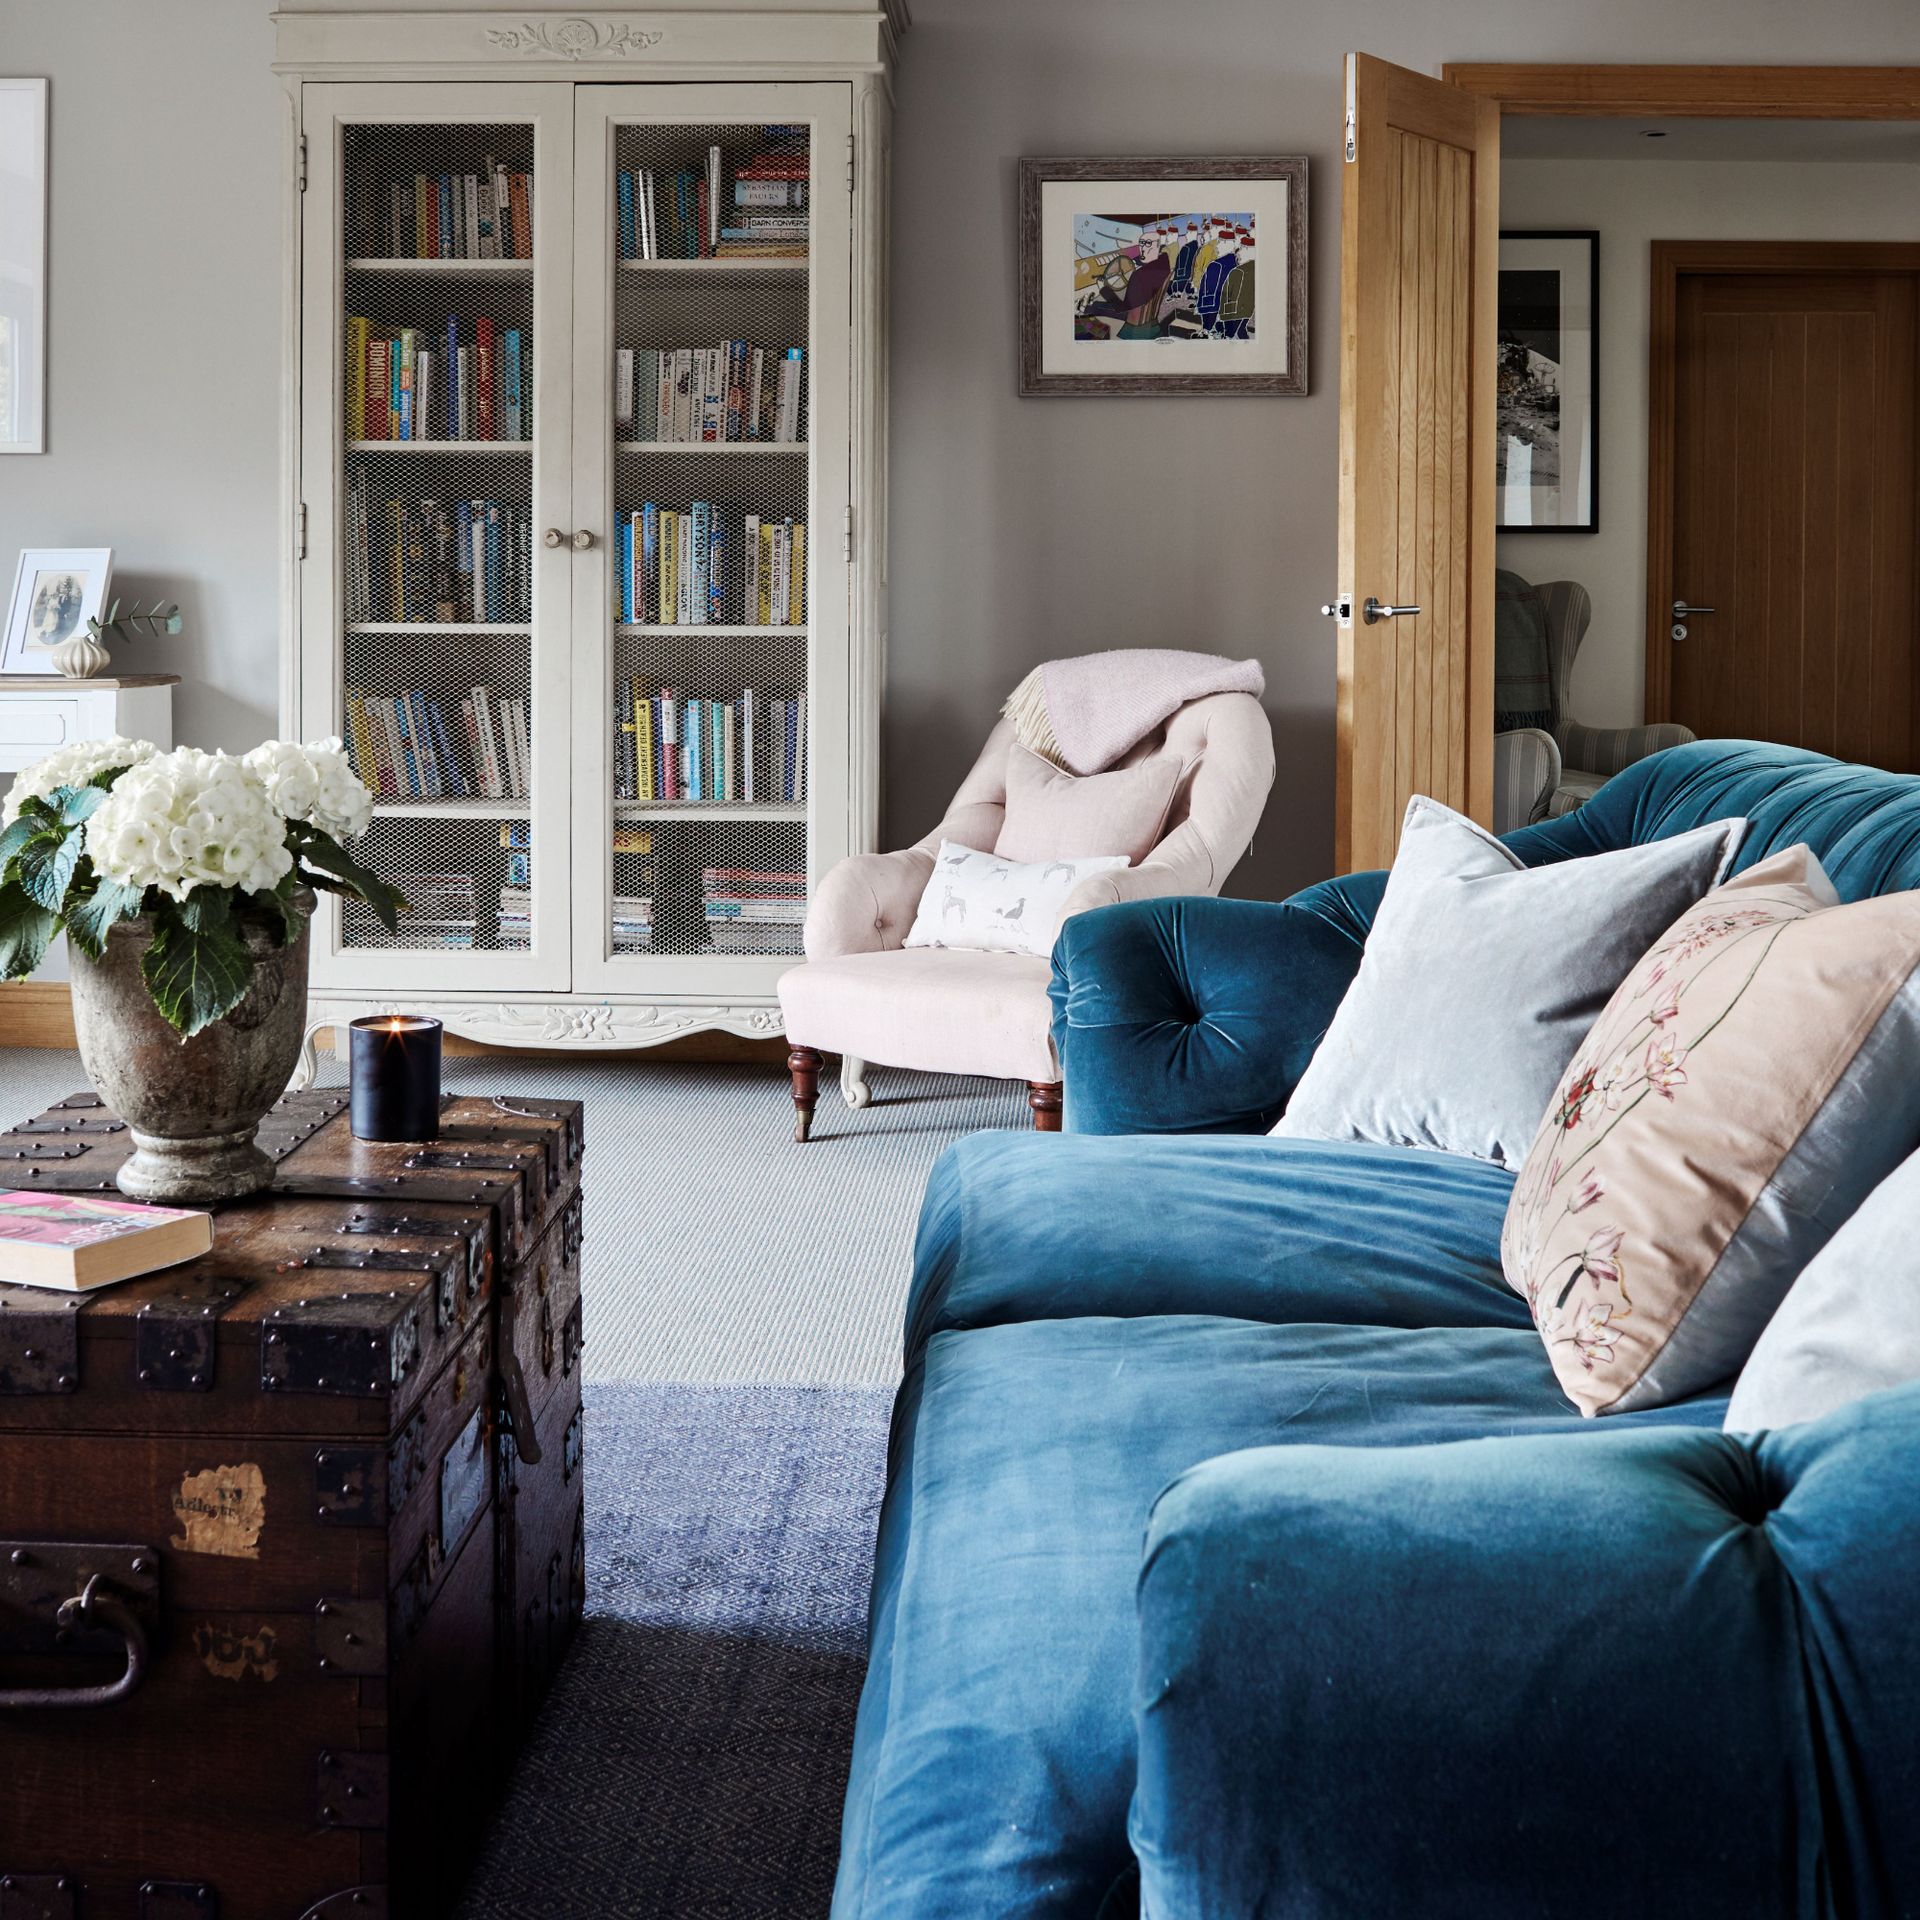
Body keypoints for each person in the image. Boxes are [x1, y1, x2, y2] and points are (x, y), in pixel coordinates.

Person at [1194, 225, 1240, 335]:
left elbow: (1207, 295)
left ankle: (1208, 331)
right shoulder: (1236, 264)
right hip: (1230, 311)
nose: (1217, 247)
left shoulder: (1215, 265)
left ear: (1224, 243)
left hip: (1213, 314)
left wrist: (1206, 326)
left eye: (1219, 243)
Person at [1218, 232, 1256, 339]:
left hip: (1233, 314)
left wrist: (1221, 317)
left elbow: (1225, 296)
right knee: (1241, 332)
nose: (1237, 253)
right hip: (1247, 313)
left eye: (1241, 248)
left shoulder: (1238, 272)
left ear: (1248, 250)